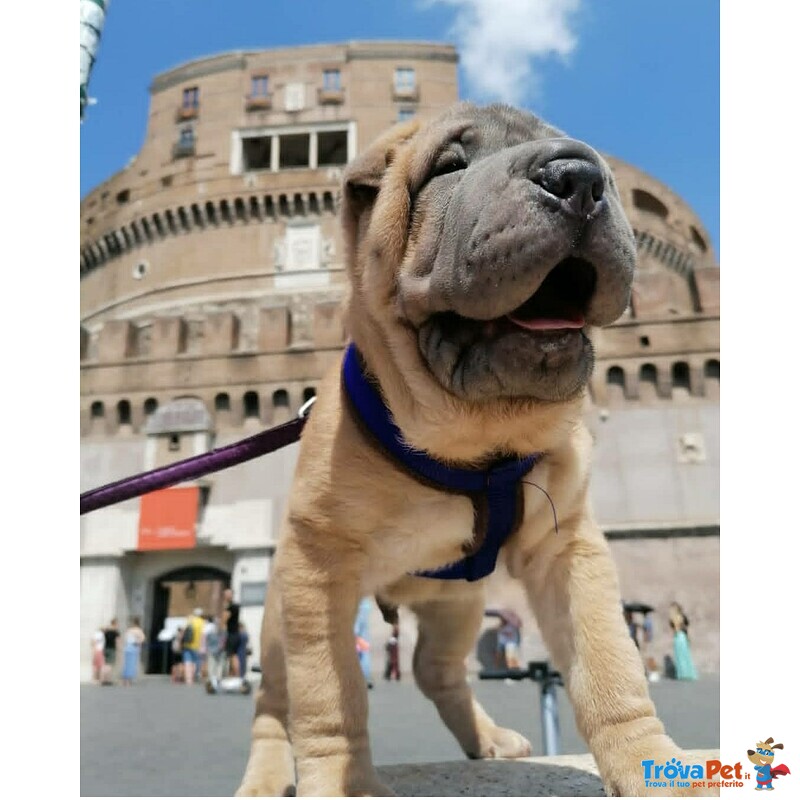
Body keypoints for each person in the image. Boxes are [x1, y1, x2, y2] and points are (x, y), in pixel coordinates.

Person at [668, 602, 698, 681]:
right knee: (683, 655)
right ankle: (685, 673)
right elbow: (685, 627)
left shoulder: (676, 617)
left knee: (681, 655)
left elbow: (676, 629)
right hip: (682, 636)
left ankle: (683, 674)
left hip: (679, 637)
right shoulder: (681, 617)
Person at [182, 607, 206, 685]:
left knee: (187, 662)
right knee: (195, 662)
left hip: (186, 644)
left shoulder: (189, 620)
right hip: (196, 646)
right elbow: (203, 636)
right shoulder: (202, 622)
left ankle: (188, 680)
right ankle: (193, 677)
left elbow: (182, 632)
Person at [120, 616, 146, 686]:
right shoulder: (139, 630)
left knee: (126, 664)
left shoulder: (129, 630)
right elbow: (142, 639)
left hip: (127, 647)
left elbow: (125, 639)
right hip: (134, 647)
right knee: (132, 664)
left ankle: (124, 680)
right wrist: (138, 642)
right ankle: (129, 680)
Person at [354, 596, 373, 689]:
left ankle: (362, 678)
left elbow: (355, 629)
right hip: (363, 603)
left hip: (358, 604)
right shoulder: (365, 605)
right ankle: (365, 677)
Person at [222, 588, 241, 677]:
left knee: (232, 655)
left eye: (227, 594)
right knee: (233, 655)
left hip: (232, 634)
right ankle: (233, 675)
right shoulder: (235, 606)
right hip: (235, 634)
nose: (225, 596)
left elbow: (224, 620)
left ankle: (236, 675)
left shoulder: (231, 607)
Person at [202, 615, 224, 689]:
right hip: (219, 651)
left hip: (212, 651)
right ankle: (218, 679)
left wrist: (207, 649)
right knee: (219, 666)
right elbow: (222, 643)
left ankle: (212, 679)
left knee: (212, 665)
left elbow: (207, 642)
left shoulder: (210, 632)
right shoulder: (222, 632)